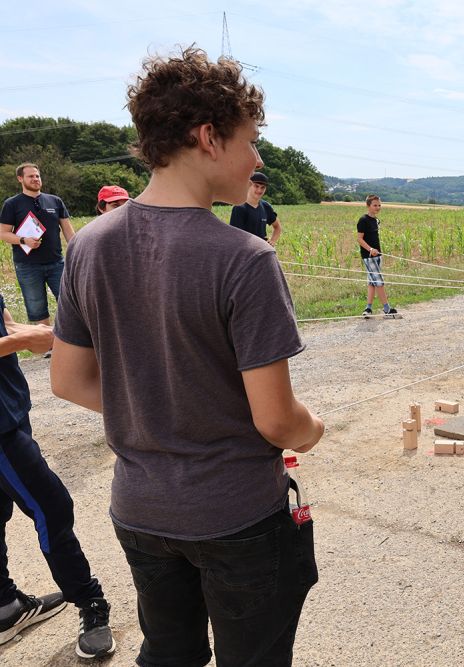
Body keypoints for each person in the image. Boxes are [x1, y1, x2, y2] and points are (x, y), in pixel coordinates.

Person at [49, 47, 325, 667]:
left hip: (140, 510)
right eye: (251, 141)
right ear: (208, 138)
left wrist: (150, 408)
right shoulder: (245, 259)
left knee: (168, 654)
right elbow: (276, 421)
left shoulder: (89, 246)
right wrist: (312, 429)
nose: (258, 159)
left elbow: (67, 380)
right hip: (237, 517)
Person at [0, 296, 114, 658]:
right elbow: (13, 337)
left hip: (10, 407)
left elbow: (6, 322)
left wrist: (41, 333)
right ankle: (90, 602)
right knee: (51, 508)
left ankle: (4, 607)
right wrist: (21, 341)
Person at [0, 164, 76, 330]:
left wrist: (78, 253)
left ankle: (71, 338)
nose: (35, 179)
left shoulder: (55, 201)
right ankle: (47, 341)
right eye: (31, 176)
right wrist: (23, 240)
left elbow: (69, 232)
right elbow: (3, 233)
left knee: (70, 303)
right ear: (20, 179)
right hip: (27, 266)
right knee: (37, 309)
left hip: (57, 263)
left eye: (37, 176)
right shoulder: (12, 204)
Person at [357, 194, 398, 317]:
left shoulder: (376, 220)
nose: (378, 207)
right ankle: (387, 309)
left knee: (372, 282)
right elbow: (359, 239)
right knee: (379, 282)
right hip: (368, 256)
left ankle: (368, 309)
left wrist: (378, 251)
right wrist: (370, 249)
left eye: (379, 205)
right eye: (375, 205)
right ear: (368, 205)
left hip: (378, 255)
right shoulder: (363, 220)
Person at [229, 171, 282, 246]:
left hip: (263, 249)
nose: (259, 190)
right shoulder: (239, 208)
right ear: (249, 185)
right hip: (247, 250)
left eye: (263, 187)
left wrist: (272, 241)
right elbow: (235, 236)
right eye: (256, 186)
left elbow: (277, 227)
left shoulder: (266, 206)